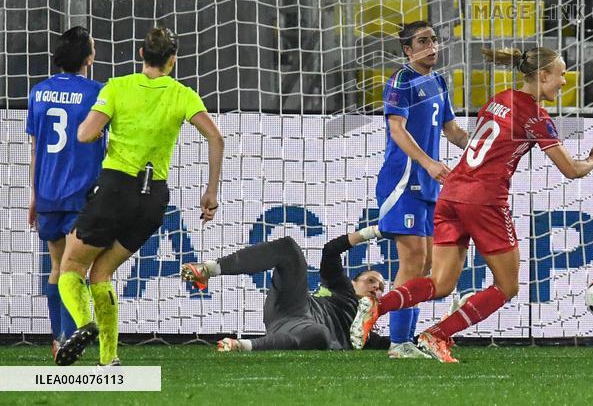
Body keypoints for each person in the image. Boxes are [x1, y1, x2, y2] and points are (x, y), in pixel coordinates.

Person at [350, 46, 593, 363]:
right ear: (542, 75)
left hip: (452, 192)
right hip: (483, 200)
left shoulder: (500, 98)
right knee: (507, 286)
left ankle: (378, 305)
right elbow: (570, 170)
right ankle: (437, 335)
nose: (565, 82)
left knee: (441, 284)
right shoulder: (536, 116)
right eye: (561, 74)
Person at [54, 26, 225, 367]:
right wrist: (210, 191)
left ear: (141, 54)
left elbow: (85, 135)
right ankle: (108, 358)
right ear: (172, 61)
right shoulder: (183, 95)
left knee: (70, 266)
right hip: (152, 199)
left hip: (116, 187)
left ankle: (85, 322)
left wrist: (105, 126)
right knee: (102, 274)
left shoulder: (118, 87)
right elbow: (216, 139)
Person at [375, 21, 469, 358]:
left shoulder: (439, 82)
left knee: (427, 264)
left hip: (430, 183)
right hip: (404, 181)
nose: (432, 47)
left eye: (434, 40)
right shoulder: (402, 80)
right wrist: (429, 162)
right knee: (413, 261)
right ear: (408, 50)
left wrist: (481, 145)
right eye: (422, 41)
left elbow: (454, 131)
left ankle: (406, 340)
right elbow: (396, 129)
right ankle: (398, 343)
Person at [26, 27, 106, 360]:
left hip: (47, 194)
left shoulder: (38, 92)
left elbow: (36, 149)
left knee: (56, 266)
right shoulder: (97, 93)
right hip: (81, 193)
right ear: (89, 57)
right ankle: (74, 339)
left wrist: (34, 195)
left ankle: (60, 338)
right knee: (78, 270)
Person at [181, 227, 389, 352]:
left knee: (321, 334)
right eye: (370, 280)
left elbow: (397, 345)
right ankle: (208, 269)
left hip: (304, 331)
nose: (375, 287)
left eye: (380, 287)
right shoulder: (343, 290)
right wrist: (375, 231)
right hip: (293, 307)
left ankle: (243, 346)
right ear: (354, 283)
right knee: (289, 248)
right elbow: (331, 251)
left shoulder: (369, 333)